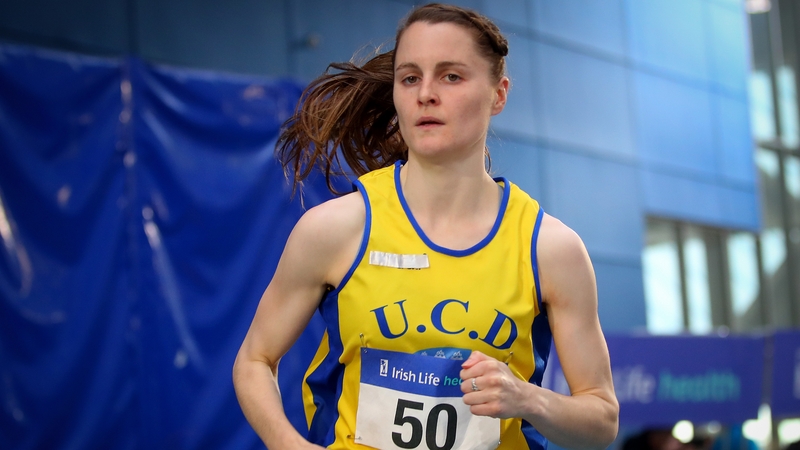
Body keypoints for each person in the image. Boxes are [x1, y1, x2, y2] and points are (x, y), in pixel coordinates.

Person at [232, 3, 619, 449]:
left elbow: (602, 419)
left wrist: (527, 398)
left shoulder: (550, 249)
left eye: (451, 76)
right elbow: (254, 360)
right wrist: (289, 444)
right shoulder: (336, 229)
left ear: (499, 94)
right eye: (410, 77)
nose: (425, 94)